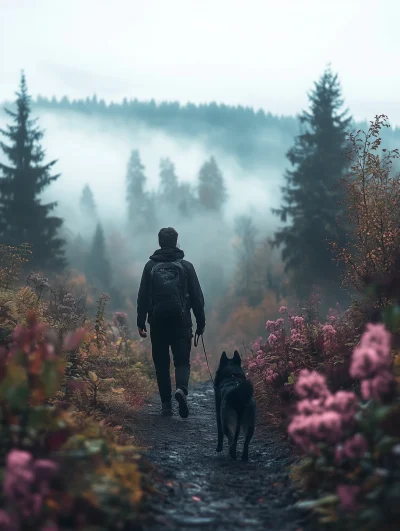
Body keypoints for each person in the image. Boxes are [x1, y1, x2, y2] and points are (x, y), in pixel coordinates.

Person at [137, 227, 205, 418]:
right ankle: (181, 390)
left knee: (161, 363)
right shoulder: (186, 266)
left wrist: (140, 321)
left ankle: (166, 405)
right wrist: (201, 323)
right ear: (176, 242)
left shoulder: (150, 267)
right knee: (182, 361)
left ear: (160, 243)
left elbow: (142, 296)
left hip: (157, 323)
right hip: (182, 322)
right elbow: (198, 298)